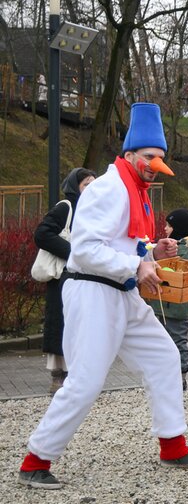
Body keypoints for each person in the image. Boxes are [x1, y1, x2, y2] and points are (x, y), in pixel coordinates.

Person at [18, 102, 188, 491]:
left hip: (120, 292)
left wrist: (153, 254)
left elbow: (125, 246)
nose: (155, 164)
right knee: (86, 380)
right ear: (129, 154)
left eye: (160, 157)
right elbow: (86, 250)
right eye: (149, 156)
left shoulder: (135, 189)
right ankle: (35, 460)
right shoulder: (109, 188)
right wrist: (137, 266)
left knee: (164, 356)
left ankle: (173, 446)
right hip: (93, 291)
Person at [34, 167, 97, 394]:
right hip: (62, 275)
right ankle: (58, 375)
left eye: (93, 183)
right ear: (75, 186)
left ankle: (77, 375)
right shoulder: (66, 207)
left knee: (81, 324)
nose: (91, 188)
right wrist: (72, 252)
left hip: (85, 276)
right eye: (86, 184)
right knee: (60, 323)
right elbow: (42, 234)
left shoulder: (95, 209)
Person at [147, 208, 188, 390]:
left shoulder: (184, 251)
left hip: (173, 305)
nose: (165, 229)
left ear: (178, 228)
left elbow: (176, 275)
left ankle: (180, 376)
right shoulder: (182, 247)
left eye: (169, 226)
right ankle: (167, 374)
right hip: (167, 304)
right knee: (167, 339)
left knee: (176, 339)